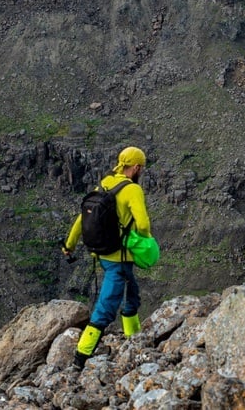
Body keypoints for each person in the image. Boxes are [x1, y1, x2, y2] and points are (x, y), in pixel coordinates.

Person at [62, 146, 151, 369]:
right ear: (137, 167)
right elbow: (143, 224)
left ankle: (134, 340)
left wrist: (69, 245)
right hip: (118, 259)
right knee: (106, 306)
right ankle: (81, 356)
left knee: (133, 297)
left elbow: (81, 219)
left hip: (103, 254)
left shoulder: (104, 184)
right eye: (142, 168)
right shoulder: (132, 190)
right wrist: (144, 242)